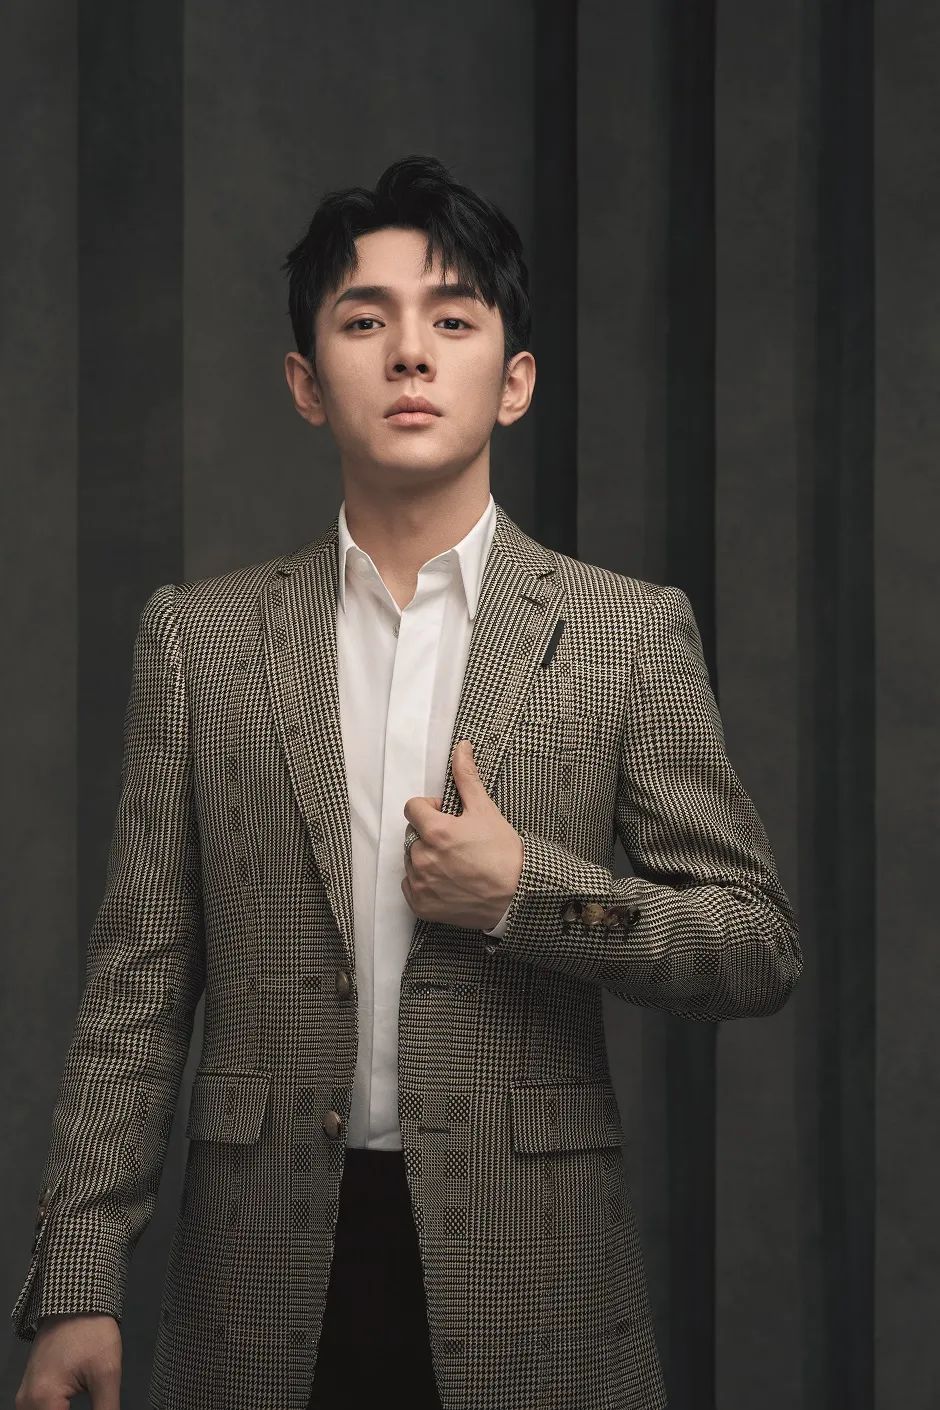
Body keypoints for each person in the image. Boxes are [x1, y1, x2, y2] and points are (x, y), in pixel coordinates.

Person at [12, 153, 802, 1410]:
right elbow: (138, 984)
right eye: (364, 321)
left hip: (533, 1277)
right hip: (260, 1277)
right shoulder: (200, 641)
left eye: (453, 320)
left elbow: (752, 947)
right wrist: (76, 1280)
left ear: (514, 380)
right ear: (305, 382)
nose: (411, 355)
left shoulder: (624, 633)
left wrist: (530, 896)